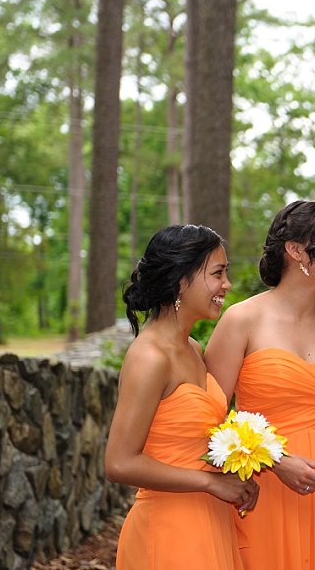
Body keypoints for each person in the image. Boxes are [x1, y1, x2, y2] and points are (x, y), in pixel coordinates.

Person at [204, 201, 315, 570]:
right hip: (262, 486)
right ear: (295, 250)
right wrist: (275, 461)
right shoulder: (242, 319)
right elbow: (209, 413)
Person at [106, 224, 258, 570]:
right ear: (180, 281)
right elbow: (119, 462)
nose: (227, 285)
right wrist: (209, 481)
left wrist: (235, 475)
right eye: (217, 273)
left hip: (210, 519)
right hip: (169, 528)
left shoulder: (192, 348)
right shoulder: (150, 357)